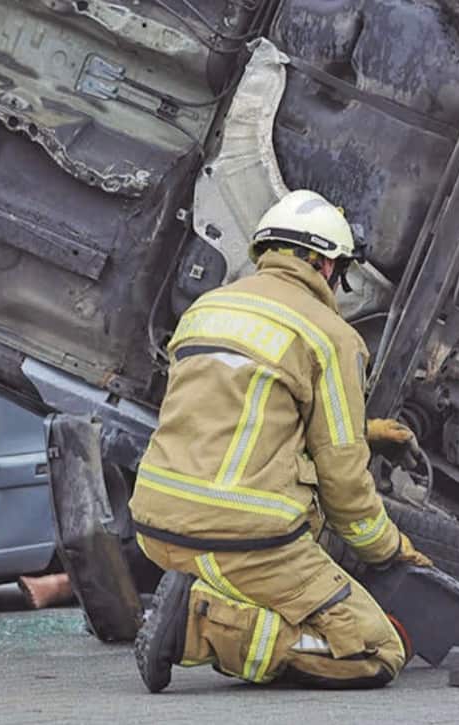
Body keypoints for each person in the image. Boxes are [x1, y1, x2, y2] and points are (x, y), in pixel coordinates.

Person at [129, 190, 433, 693]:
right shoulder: (329, 336)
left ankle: (196, 598)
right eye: (339, 271)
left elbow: (234, 420)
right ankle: (196, 626)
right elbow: (345, 491)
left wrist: (362, 434)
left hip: (156, 528)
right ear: (324, 264)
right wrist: (390, 549)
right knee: (376, 650)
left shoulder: (206, 309)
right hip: (241, 541)